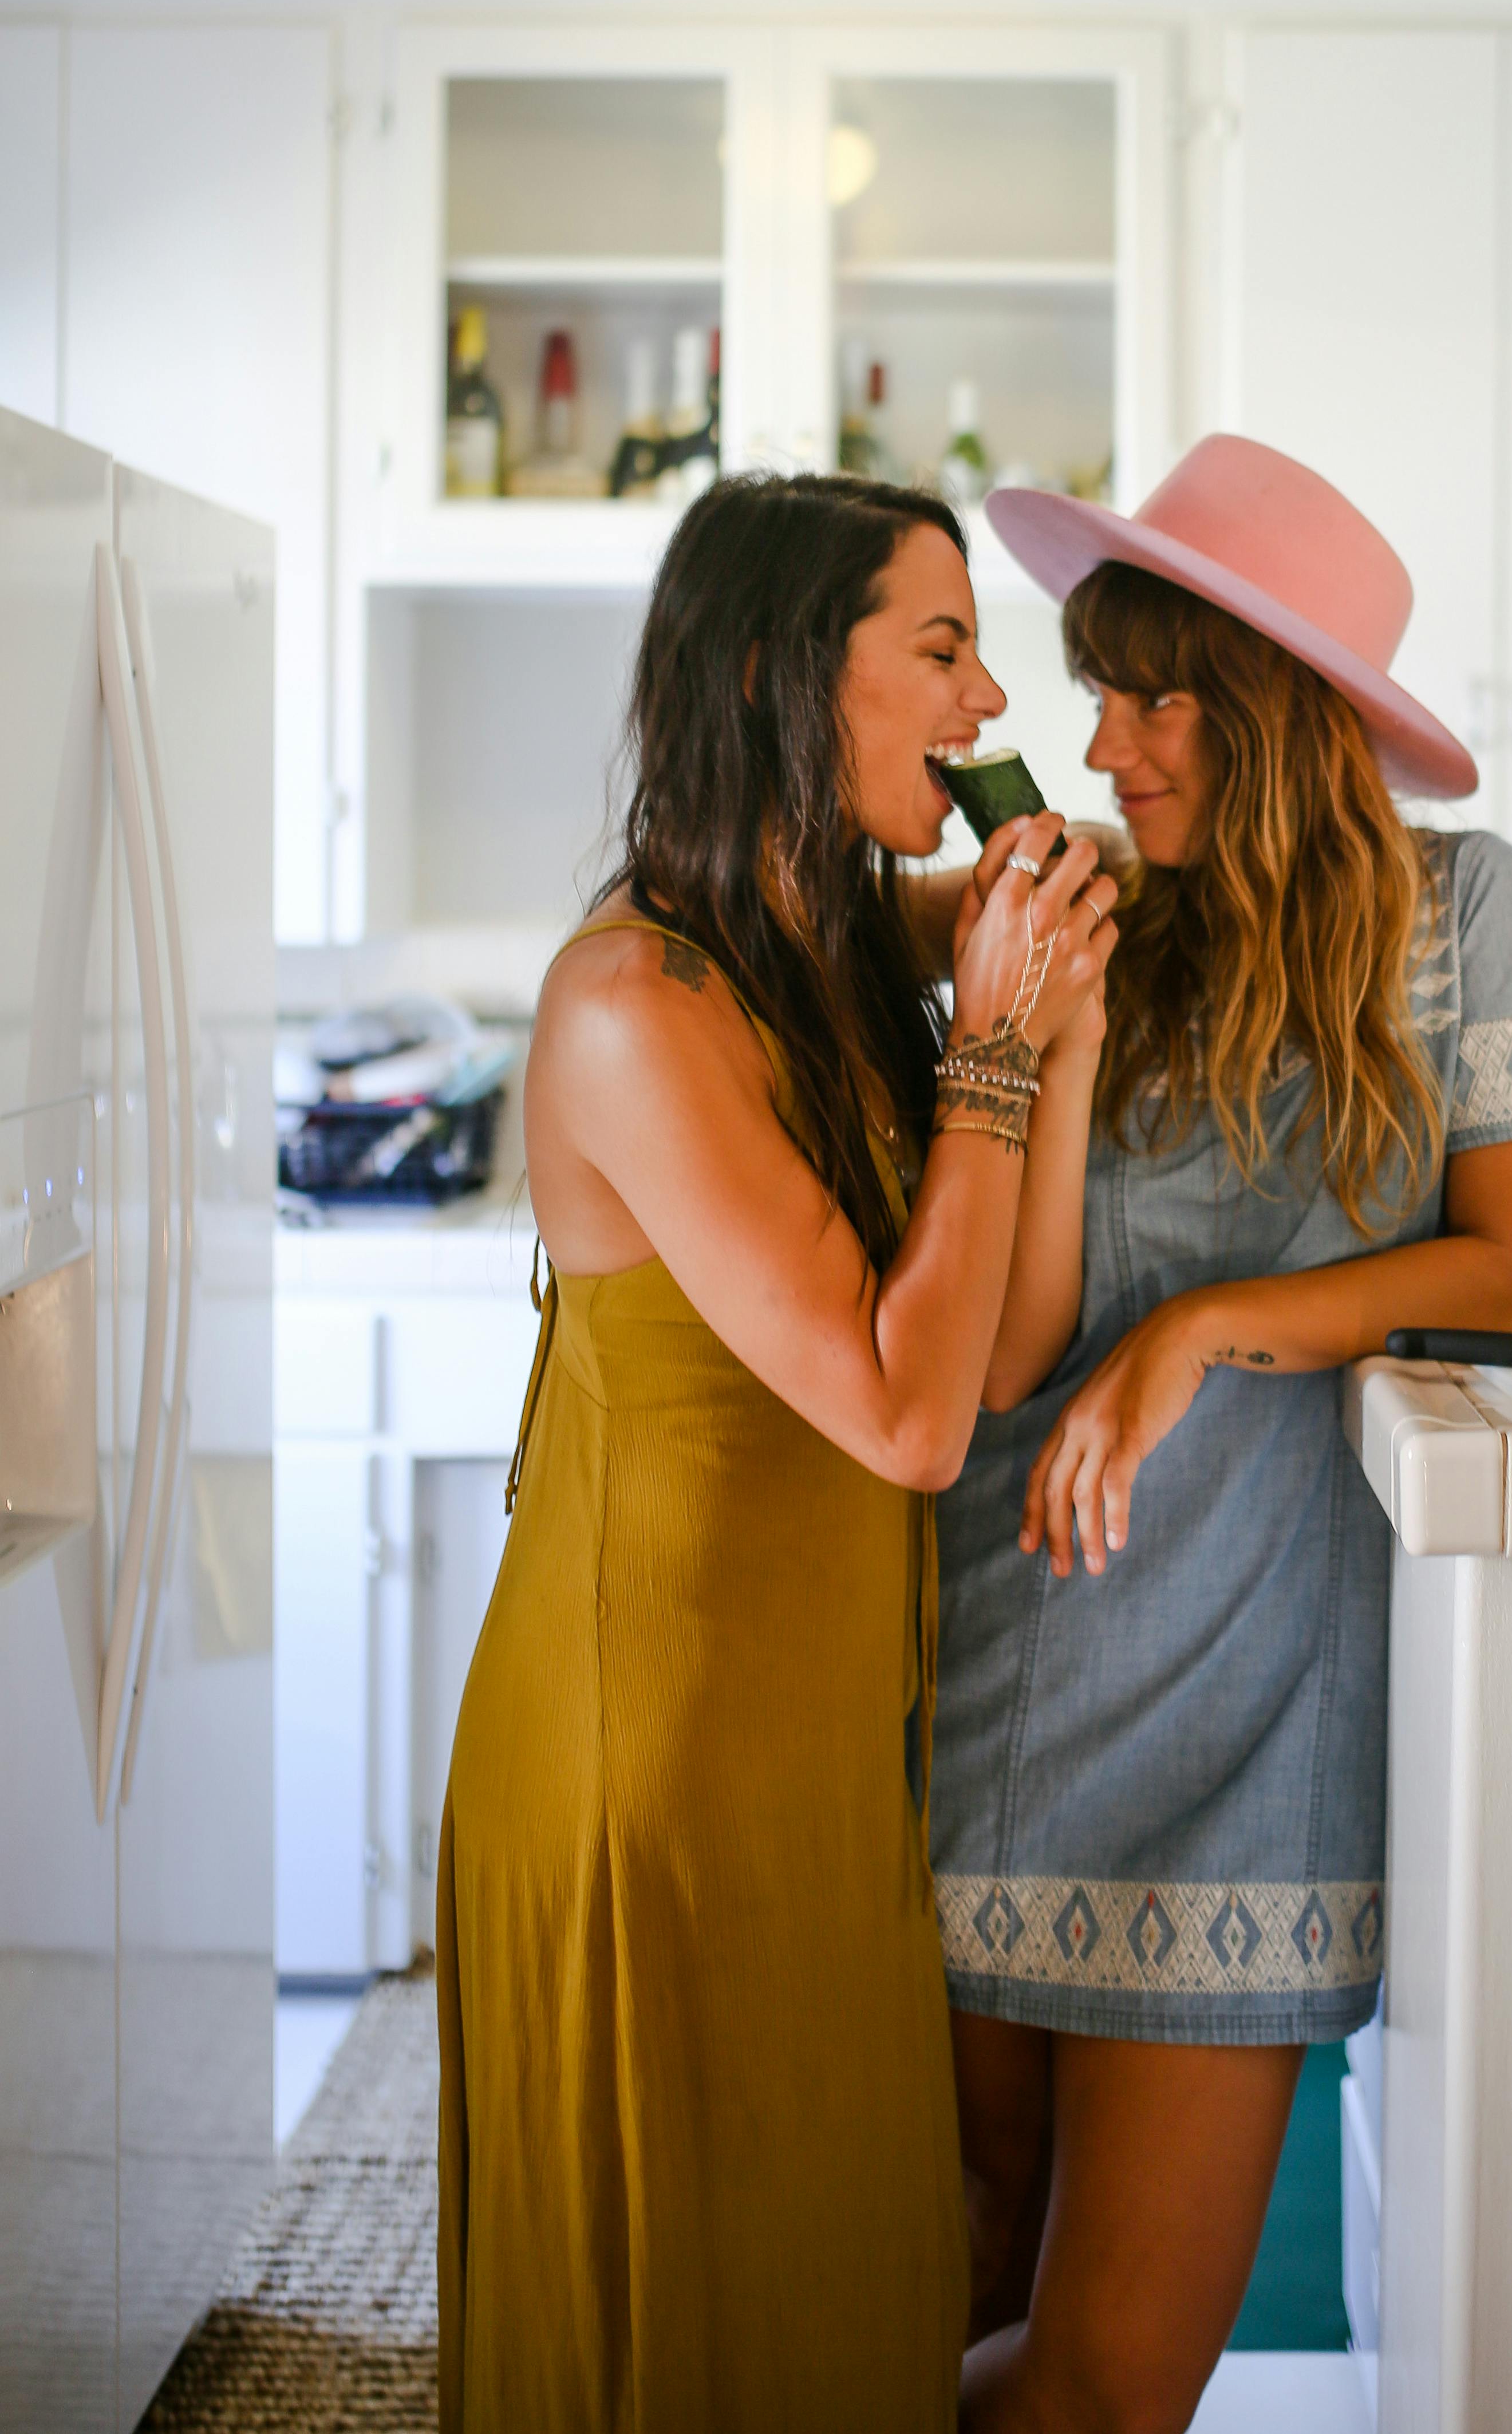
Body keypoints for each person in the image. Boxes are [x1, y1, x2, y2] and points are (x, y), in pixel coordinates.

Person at [930, 434, 1512, 2433]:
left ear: (1289, 714)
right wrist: (1043, 1042)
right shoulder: (1099, 929)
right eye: (1103, 694)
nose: (1111, 745)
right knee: (917, 2312)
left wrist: (1219, 1331)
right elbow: (1013, 1358)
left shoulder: (1466, 915)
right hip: (1017, 1672)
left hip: (1264, 1725)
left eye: (1162, 698)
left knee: (1109, 2386)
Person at [435, 474, 1119, 2434]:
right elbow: (909, 1425)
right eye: (938, 649)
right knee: (680, 2334)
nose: (994, 702)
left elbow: (997, 1355)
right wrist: (994, 1044)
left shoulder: (822, 952)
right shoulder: (631, 1009)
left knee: (839, 2314)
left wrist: (1049, 1048)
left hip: (815, 1759)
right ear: (771, 673)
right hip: (644, 1778)